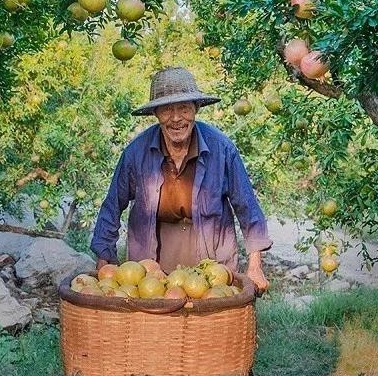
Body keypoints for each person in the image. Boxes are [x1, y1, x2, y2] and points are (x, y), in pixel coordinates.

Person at [91, 67, 271, 292]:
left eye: (184, 108)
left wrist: (255, 266)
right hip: (150, 266)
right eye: (166, 110)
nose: (176, 118)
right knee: (153, 310)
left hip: (212, 262)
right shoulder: (136, 153)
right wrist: (104, 259)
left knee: (212, 310)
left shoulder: (222, 149)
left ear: (196, 109)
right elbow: (112, 206)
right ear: (156, 114)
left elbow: (248, 208)